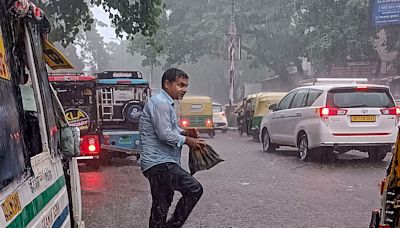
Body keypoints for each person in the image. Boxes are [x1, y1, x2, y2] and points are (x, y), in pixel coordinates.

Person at [139, 68, 205, 228]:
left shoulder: (165, 102)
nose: (184, 90)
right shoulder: (161, 103)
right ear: (167, 84)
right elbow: (164, 134)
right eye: (180, 85)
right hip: (159, 163)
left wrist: (185, 132)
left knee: (161, 204)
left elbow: (171, 129)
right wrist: (188, 140)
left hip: (161, 163)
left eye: (186, 86)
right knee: (194, 189)